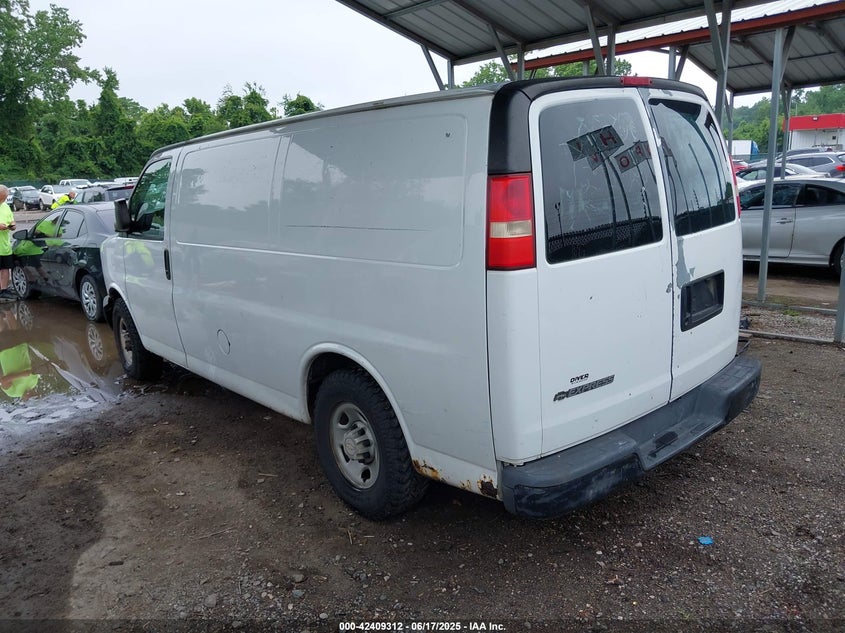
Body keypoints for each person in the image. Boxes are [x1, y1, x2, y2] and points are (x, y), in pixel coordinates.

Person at [0, 184, 18, 302]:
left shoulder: (6, 206)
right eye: (2, 197)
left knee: (5, 268)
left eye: (4, 197)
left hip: (5, 245)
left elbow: (11, 219)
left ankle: (4, 290)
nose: (4, 199)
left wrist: (12, 226)